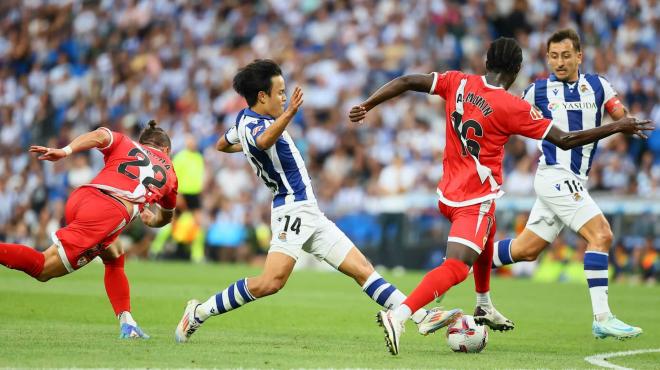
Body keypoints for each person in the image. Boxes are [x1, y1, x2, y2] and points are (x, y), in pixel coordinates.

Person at [348, 37, 652, 355]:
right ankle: (400, 315)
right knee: (456, 267)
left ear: (485, 61)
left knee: (492, 240)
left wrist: (367, 104)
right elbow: (565, 140)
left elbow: (408, 80)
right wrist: (616, 127)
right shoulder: (512, 106)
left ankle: (483, 305)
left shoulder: (458, 81)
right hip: (473, 199)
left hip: (448, 192)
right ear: (517, 69)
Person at [174, 59, 462, 344]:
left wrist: (248, 148)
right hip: (291, 209)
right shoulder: (254, 126)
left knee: (362, 269)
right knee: (270, 282)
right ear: (262, 96)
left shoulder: (244, 121)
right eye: (280, 92)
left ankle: (421, 316)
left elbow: (221, 144)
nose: (284, 97)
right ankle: (199, 312)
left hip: (308, 210)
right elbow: (261, 142)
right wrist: (288, 115)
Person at [489, 29, 644, 339]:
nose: (559, 62)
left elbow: (618, 113)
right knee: (601, 234)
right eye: (554, 56)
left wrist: (624, 120)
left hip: (575, 180)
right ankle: (602, 317)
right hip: (554, 176)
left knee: (526, 249)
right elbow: (508, 117)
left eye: (565, 55)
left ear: (579, 56)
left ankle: (462, 263)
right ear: (548, 58)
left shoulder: (598, 86)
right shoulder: (537, 91)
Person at [0, 121, 178, 339]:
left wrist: (65, 151)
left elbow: (101, 135)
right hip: (107, 213)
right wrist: (151, 221)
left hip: (82, 196)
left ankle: (127, 321)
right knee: (43, 268)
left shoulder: (126, 142)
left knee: (114, 254)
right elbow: (166, 216)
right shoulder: (170, 174)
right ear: (166, 149)